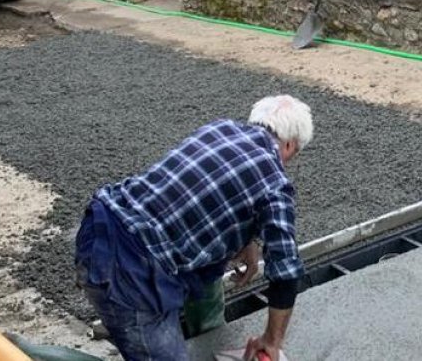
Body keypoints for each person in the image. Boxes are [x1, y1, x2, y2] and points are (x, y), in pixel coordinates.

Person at [75, 95, 312, 361]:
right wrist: (271, 341)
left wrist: (248, 243)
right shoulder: (275, 185)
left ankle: (202, 329)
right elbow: (286, 273)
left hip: (98, 226)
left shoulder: (219, 129)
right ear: (291, 145)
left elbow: (205, 195)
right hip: (129, 274)